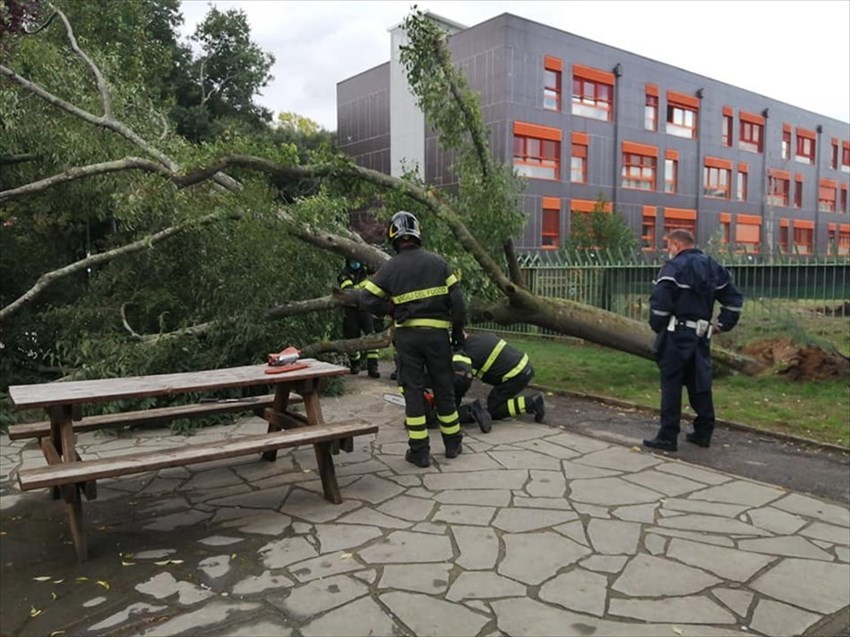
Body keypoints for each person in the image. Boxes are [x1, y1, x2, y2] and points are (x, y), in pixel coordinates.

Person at [360, 210, 465, 468]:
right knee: (444, 388)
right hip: (438, 337)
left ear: (394, 237)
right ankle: (452, 444)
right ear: (417, 234)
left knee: (413, 391)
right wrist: (457, 335)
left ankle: (419, 451)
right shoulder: (439, 263)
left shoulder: (391, 267)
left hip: (408, 339)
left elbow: (365, 298)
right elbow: (459, 303)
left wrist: (391, 309)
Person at [643, 229, 743, 452]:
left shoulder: (673, 268)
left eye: (669, 246)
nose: (668, 251)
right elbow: (734, 299)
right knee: (700, 383)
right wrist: (723, 324)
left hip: (675, 334)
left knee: (672, 383)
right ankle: (703, 432)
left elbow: (660, 303)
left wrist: (657, 326)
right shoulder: (712, 266)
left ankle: (668, 436)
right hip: (701, 336)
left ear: (677, 245)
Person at [452, 331, 545, 433]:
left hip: (514, 376)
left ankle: (473, 410)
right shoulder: (481, 336)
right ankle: (532, 402)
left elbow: (461, 381)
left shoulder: (466, 353)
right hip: (524, 368)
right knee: (496, 401)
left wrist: (452, 405)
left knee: (491, 410)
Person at [337, 258, 380, 378]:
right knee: (351, 337)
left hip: (365, 309)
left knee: (371, 336)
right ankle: (355, 364)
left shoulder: (364, 271)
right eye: (353, 261)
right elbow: (349, 292)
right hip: (351, 309)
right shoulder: (343, 275)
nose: (355, 263)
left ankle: (373, 367)